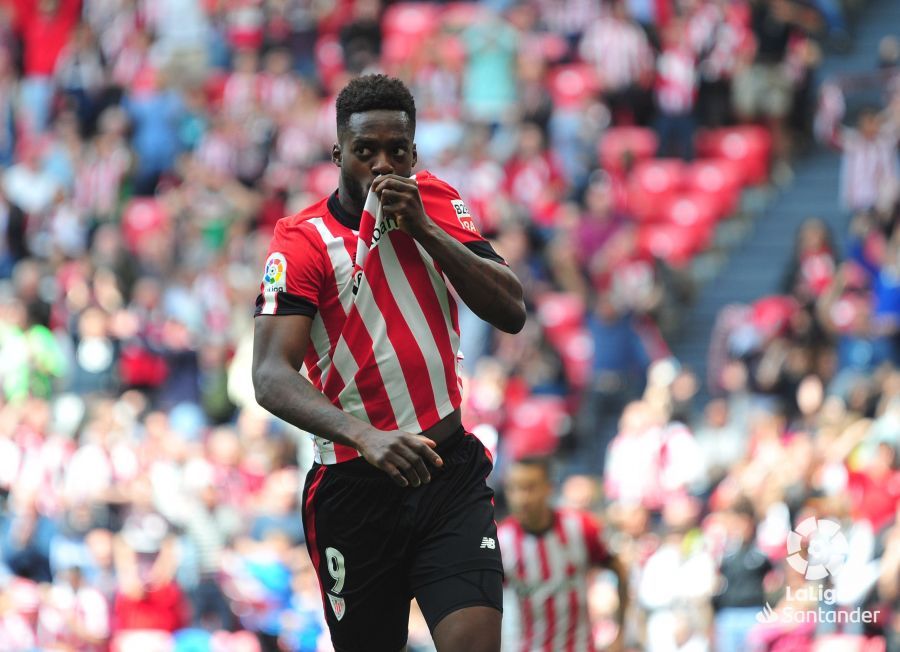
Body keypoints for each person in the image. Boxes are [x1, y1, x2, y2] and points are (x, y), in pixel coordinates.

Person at [251, 74, 526, 652]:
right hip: (354, 485)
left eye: (396, 151)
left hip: (447, 469)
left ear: (414, 153)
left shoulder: (437, 202)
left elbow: (511, 310)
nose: (381, 165)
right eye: (365, 151)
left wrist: (423, 227)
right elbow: (270, 375)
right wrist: (366, 436)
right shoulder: (301, 241)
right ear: (337, 155)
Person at [498, 457, 629, 652]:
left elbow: (619, 569)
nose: (521, 498)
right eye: (514, 489)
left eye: (529, 488)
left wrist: (620, 633)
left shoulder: (581, 528)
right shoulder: (500, 541)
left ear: (548, 488)